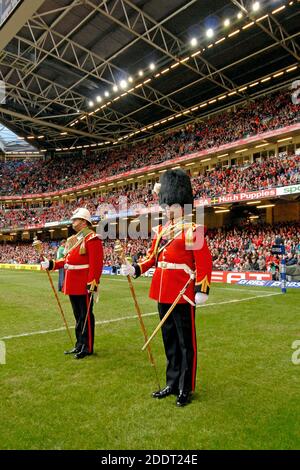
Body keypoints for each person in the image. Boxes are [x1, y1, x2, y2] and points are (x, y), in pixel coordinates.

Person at [121, 169, 212, 407]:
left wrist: (201, 289)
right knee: (169, 340)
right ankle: (172, 383)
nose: (166, 209)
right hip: (162, 290)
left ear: (182, 206)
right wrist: (136, 269)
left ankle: (185, 387)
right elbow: (152, 258)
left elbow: (203, 262)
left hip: (182, 293)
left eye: (170, 205)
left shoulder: (193, 230)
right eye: (165, 205)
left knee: (185, 343)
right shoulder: (162, 230)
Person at [41, 208, 103, 359]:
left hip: (84, 283)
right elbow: (67, 260)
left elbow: (96, 263)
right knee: (78, 316)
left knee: (86, 316)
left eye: (75, 220)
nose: (73, 222)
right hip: (73, 282)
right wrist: (51, 264)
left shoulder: (92, 238)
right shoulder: (74, 239)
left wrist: (93, 282)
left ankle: (87, 347)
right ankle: (79, 344)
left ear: (83, 221)